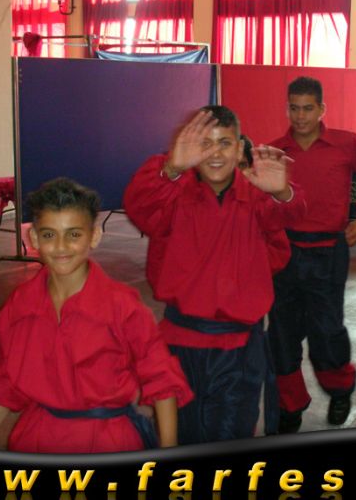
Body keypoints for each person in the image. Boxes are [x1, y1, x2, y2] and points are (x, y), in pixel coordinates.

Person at [123, 106, 306, 444]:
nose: (216, 153)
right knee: (181, 432)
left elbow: (289, 219)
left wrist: (282, 193)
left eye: (224, 143)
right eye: (204, 144)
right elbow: (139, 206)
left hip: (238, 347)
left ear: (239, 149)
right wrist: (171, 168)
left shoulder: (256, 196)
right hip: (180, 344)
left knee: (230, 432)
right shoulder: (173, 196)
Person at [0, 178, 192, 453]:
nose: (61, 247)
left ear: (94, 236)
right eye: (49, 235)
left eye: (74, 235)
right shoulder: (20, 306)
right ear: (34, 238)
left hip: (108, 441)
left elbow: (162, 381)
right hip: (38, 438)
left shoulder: (123, 307)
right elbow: (7, 382)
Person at [267, 76, 356, 433]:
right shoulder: (274, 152)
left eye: (308, 108)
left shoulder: (346, 143)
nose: (300, 116)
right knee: (281, 332)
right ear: (287, 108)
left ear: (322, 108)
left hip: (329, 252)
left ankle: (339, 390)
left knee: (327, 329)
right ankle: (290, 404)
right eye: (294, 108)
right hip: (284, 252)